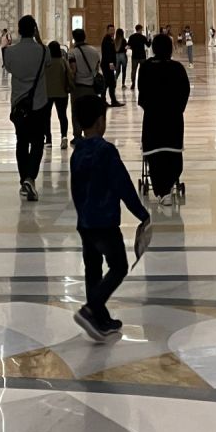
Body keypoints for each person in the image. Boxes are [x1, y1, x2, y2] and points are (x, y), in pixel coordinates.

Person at [70, 94, 150, 342]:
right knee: (119, 266)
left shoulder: (77, 152)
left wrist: (81, 216)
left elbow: (75, 189)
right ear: (100, 121)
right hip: (104, 221)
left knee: (93, 269)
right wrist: (142, 214)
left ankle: (100, 318)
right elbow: (122, 185)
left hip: (85, 222)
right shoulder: (106, 151)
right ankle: (91, 309)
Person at [138, 30, 191, 205]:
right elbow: (185, 91)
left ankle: (162, 190)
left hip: (153, 118)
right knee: (172, 153)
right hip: (173, 119)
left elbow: (142, 92)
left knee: (155, 154)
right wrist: (177, 109)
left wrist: (150, 107)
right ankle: (166, 188)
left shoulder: (146, 67)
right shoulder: (177, 68)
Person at [6, 14, 48, 201]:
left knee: (21, 142)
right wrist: (39, 39)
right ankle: (30, 178)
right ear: (34, 30)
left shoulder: (10, 52)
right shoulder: (43, 51)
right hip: (38, 104)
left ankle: (24, 179)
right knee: (38, 142)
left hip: (18, 106)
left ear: (19, 30)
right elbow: (48, 63)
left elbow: (8, 68)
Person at [68, 27, 102, 139]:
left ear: (74, 38)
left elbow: (73, 70)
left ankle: (77, 135)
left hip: (78, 87)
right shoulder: (94, 51)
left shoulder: (73, 53)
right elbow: (97, 68)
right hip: (91, 87)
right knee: (89, 111)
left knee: (77, 112)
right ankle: (90, 133)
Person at [43, 40, 70, 148]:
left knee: (46, 116)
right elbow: (69, 75)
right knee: (62, 116)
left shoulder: (45, 62)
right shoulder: (62, 61)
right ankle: (64, 137)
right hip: (62, 92)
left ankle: (48, 140)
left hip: (47, 93)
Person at [100, 29, 123, 108]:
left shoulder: (110, 39)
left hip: (108, 64)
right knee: (109, 83)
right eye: (110, 30)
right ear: (107, 31)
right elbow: (107, 53)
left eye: (113, 30)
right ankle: (109, 101)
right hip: (107, 65)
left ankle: (109, 100)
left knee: (110, 83)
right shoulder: (106, 40)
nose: (112, 32)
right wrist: (111, 63)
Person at [128, 24, 148, 94]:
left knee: (133, 70)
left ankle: (133, 83)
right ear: (140, 29)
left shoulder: (131, 37)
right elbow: (148, 45)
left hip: (135, 56)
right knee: (142, 71)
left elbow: (128, 46)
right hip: (142, 56)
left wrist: (133, 48)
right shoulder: (143, 37)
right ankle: (141, 83)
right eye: (141, 29)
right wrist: (150, 39)